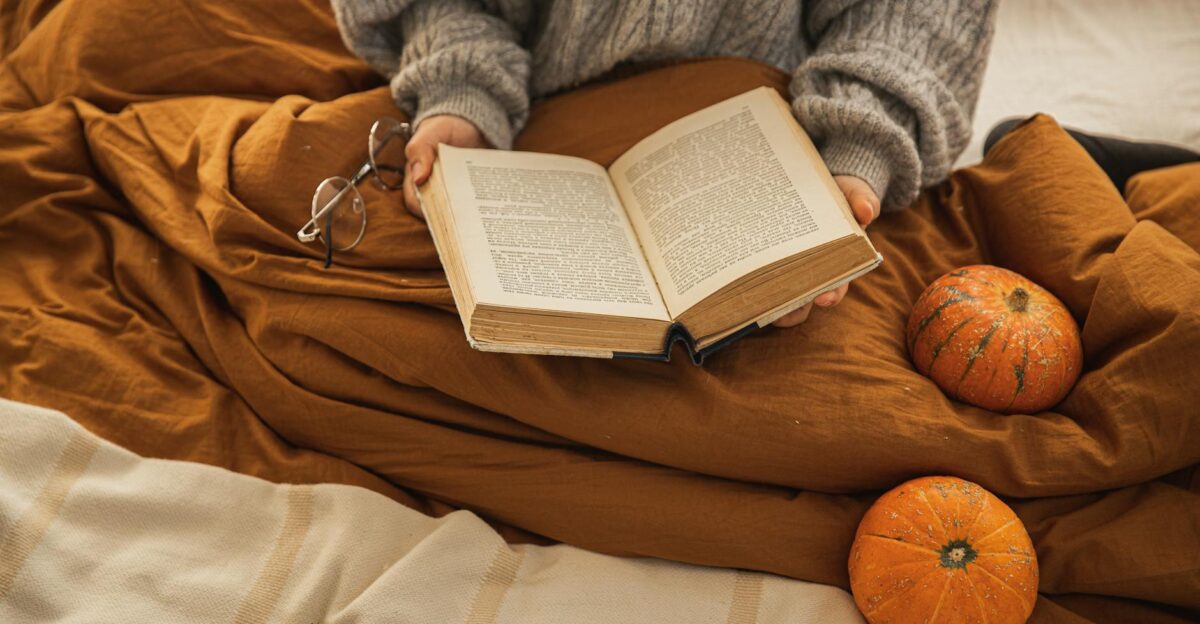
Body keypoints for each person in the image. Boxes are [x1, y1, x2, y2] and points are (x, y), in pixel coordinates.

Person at [330, 0, 998, 326]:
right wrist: (461, 92)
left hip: (789, 135)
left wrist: (853, 155)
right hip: (528, 108)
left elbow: (911, 18)